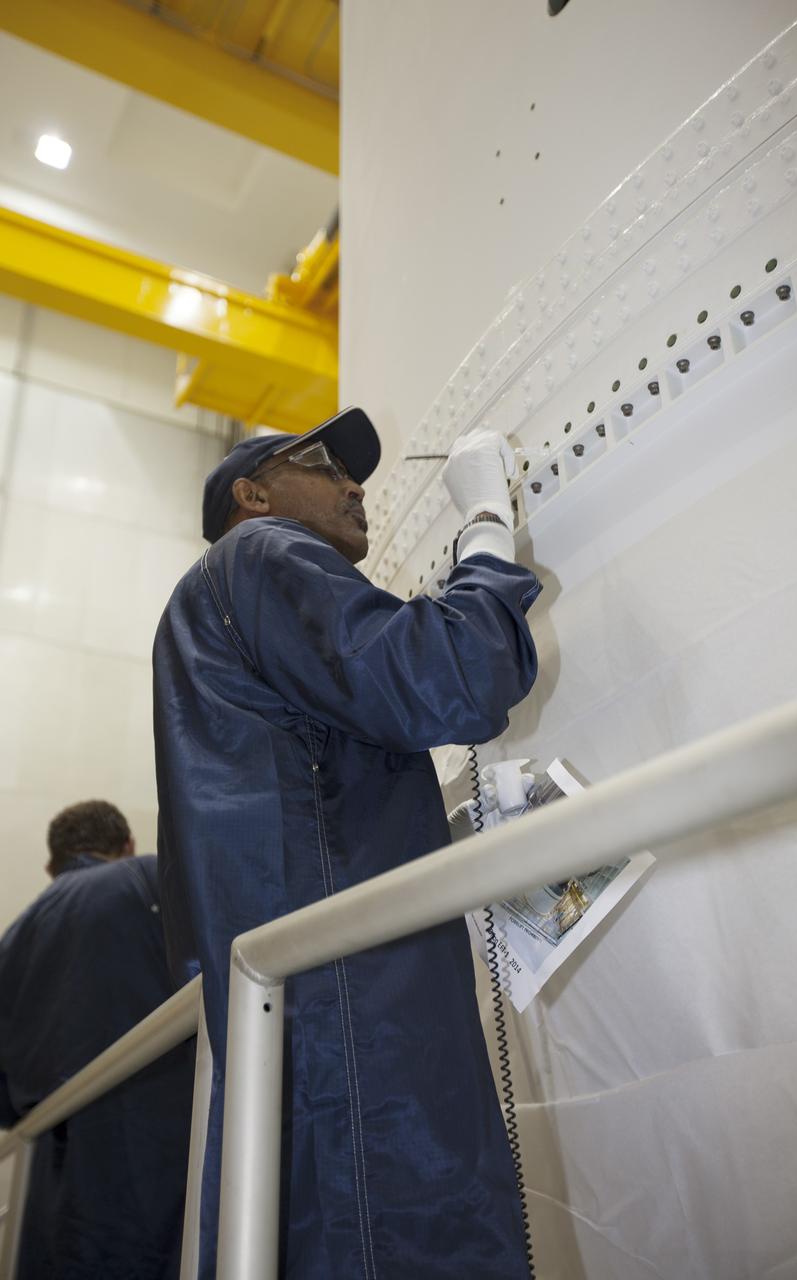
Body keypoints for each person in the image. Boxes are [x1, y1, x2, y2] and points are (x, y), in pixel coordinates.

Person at [153, 407, 542, 1278]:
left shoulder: (204, 621)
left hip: (306, 1014)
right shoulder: (260, 554)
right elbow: (448, 679)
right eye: (325, 463)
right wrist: (484, 528)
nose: (353, 483)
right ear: (252, 496)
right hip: (359, 1014)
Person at [0, 800, 195, 1280]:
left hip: (55, 1191)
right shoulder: (153, 880)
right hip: (160, 1162)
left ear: (51, 865)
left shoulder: (13, 940)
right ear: (127, 845)